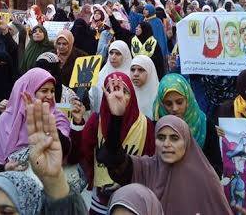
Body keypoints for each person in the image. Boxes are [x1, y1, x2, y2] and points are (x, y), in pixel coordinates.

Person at [96, 89, 232, 215]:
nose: (166, 144)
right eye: (161, 138)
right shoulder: (145, 169)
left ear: (186, 142)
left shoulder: (206, 179)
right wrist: (116, 118)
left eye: (174, 138)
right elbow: (113, 159)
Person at [0, 99, 88, 215]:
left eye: (6, 212)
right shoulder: (5, 120)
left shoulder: (57, 121)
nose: (48, 95)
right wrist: (2, 169)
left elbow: (72, 154)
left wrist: (54, 182)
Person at [69, 72, 155, 215]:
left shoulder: (146, 125)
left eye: (124, 91)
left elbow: (150, 166)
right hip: (100, 202)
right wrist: (78, 124)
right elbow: (79, 155)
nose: (117, 96)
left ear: (132, 96)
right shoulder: (96, 121)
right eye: (110, 91)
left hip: (133, 203)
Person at [0, 68, 71, 169]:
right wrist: (5, 168)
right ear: (29, 91)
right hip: (10, 177)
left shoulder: (58, 117)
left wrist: (42, 120)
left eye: (52, 91)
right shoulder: (6, 119)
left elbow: (63, 149)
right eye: (44, 91)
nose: (50, 96)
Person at [152, 73, 222, 176]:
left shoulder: (204, 125)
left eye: (179, 102)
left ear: (188, 99)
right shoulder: (155, 127)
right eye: (168, 104)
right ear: (162, 104)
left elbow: (217, 168)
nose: (175, 108)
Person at [92, 41, 133, 113]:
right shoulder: (102, 73)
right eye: (111, 53)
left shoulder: (133, 76)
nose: (113, 57)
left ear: (125, 56)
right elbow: (93, 96)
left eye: (118, 54)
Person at [129, 56, 159, 120]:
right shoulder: (127, 95)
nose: (135, 74)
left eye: (141, 70)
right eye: (133, 70)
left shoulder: (159, 96)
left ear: (149, 71)